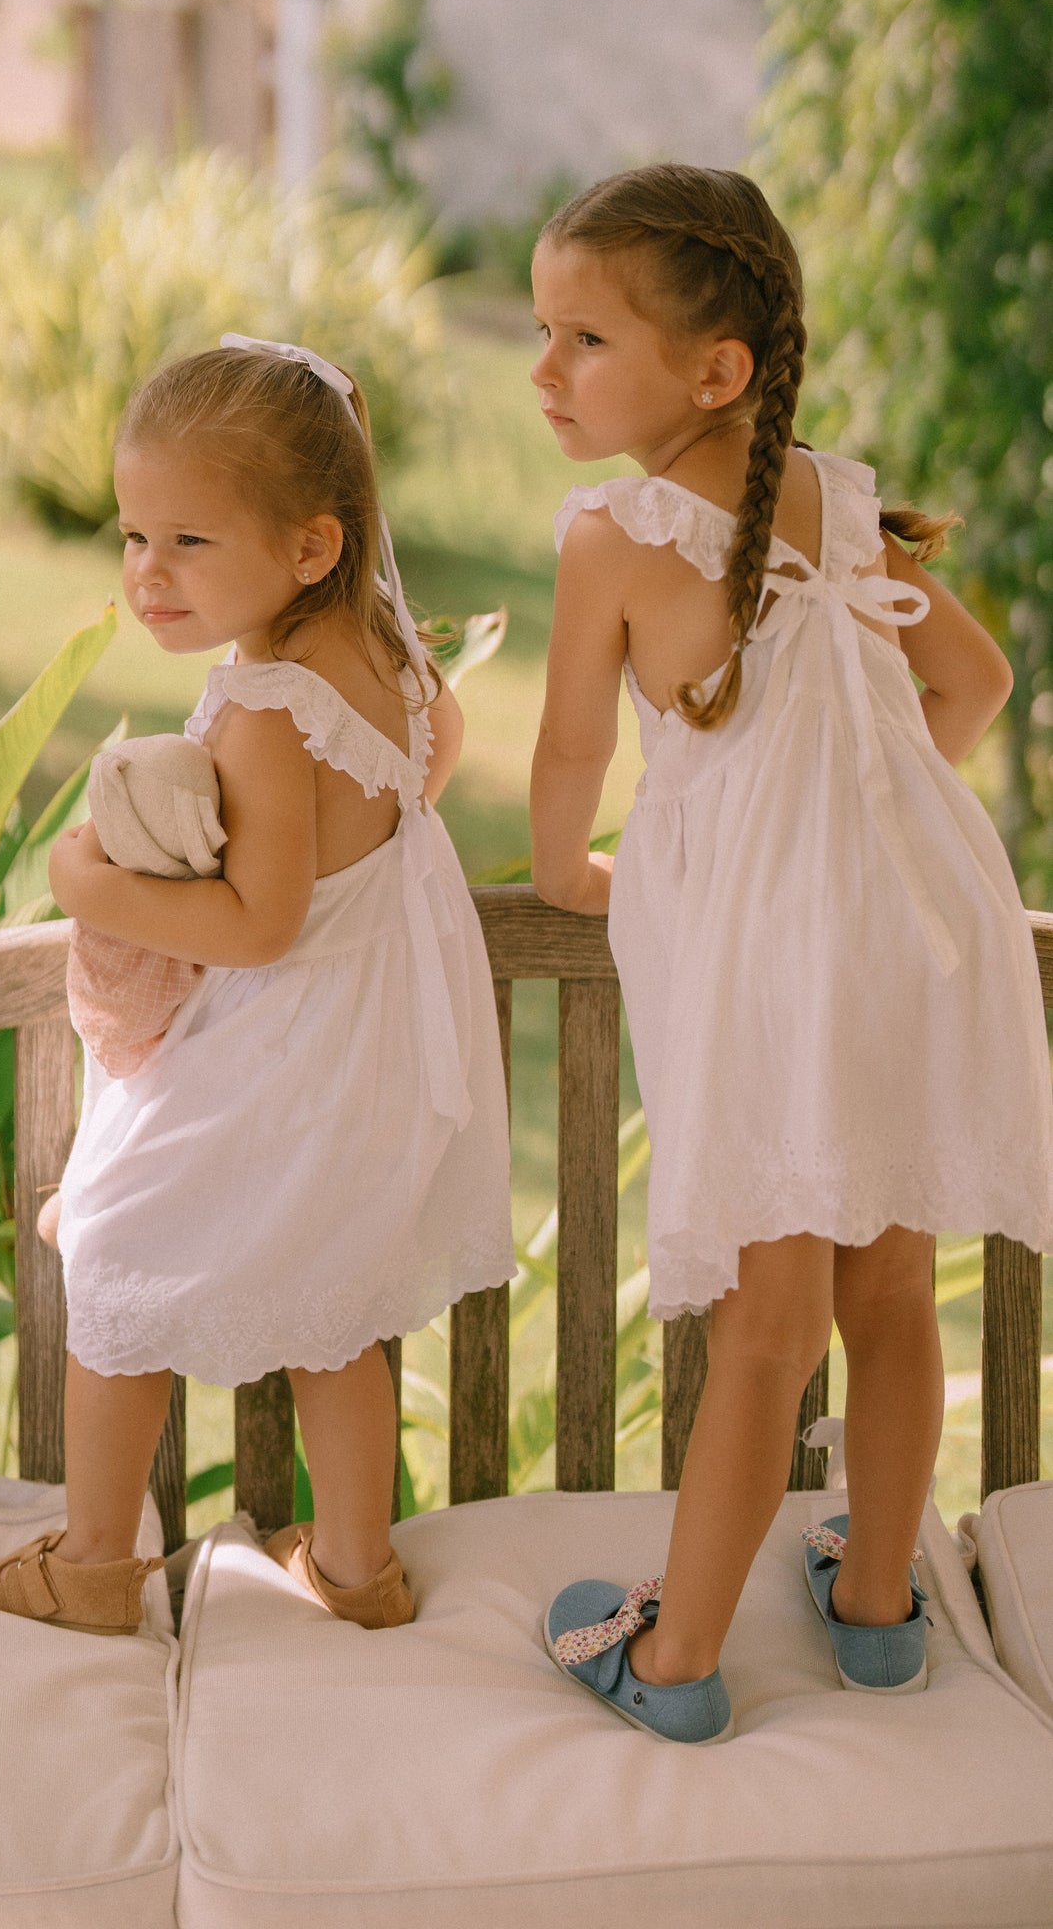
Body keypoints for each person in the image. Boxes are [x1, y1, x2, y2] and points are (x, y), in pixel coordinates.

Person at [529, 164, 1053, 1743]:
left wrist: (569, 871)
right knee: (889, 1290)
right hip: (914, 937)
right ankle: (879, 1613)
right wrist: (857, 814)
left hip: (783, 973)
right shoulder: (833, 489)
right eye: (544, 334)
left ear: (714, 370)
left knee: (767, 1326)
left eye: (581, 339)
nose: (545, 371)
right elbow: (973, 680)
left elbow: (563, 756)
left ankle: (675, 1661)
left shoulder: (611, 536)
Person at [0, 334, 513, 1634]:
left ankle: (93, 1561)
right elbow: (429, 761)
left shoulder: (264, 700)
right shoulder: (382, 654)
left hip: (277, 1042)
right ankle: (358, 1572)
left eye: (189, 544)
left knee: (114, 1255)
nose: (148, 575)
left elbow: (257, 924)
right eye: (133, 535)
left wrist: (92, 889)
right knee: (336, 1309)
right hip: (362, 1046)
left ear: (310, 546)